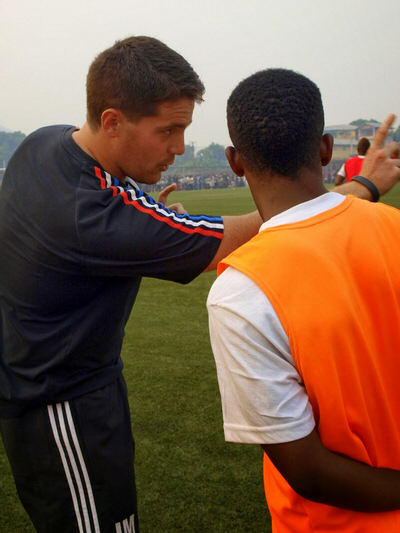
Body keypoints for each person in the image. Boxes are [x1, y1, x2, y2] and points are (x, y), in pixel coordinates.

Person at [0, 37, 397, 533]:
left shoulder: (46, 141)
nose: (179, 147)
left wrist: (157, 228)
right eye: (168, 130)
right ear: (111, 121)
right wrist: (363, 187)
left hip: (55, 381)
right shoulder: (94, 216)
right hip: (60, 402)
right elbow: (248, 230)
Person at [207, 68, 400, 533]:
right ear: (326, 148)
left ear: (235, 161)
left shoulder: (240, 290)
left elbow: (308, 469)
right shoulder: (393, 228)